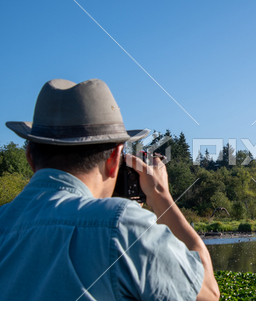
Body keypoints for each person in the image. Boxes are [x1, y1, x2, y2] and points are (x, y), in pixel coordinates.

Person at [0, 78, 220, 301]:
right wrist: (160, 196)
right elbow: (208, 296)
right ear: (115, 158)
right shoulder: (121, 226)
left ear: (29, 155)